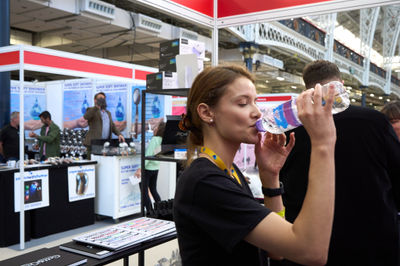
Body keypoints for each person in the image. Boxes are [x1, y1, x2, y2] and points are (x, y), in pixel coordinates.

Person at [173, 64, 337, 265]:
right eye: (243, 103)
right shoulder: (205, 182)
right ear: (207, 113)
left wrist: (270, 177)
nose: (257, 113)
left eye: (255, 102)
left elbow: (276, 252)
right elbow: (310, 251)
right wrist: (323, 144)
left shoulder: (229, 172)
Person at [279, 60, 400, 266]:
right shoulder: (374, 121)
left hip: (311, 240)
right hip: (373, 240)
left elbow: (284, 182)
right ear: (341, 84)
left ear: (307, 88)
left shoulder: (290, 129)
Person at [83, 92, 125, 158]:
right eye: (100, 99)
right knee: (92, 163)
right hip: (94, 143)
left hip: (105, 143)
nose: (102, 100)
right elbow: (86, 117)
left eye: (103, 99)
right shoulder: (91, 110)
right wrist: (97, 106)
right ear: (95, 100)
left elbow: (112, 126)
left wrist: (119, 134)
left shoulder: (108, 113)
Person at [141, 121, 165, 214]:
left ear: (159, 129)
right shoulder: (162, 140)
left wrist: (141, 168)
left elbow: (148, 155)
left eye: (156, 126)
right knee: (153, 189)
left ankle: (150, 211)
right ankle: (161, 209)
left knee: (144, 191)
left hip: (148, 168)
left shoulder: (155, 139)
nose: (154, 128)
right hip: (156, 168)